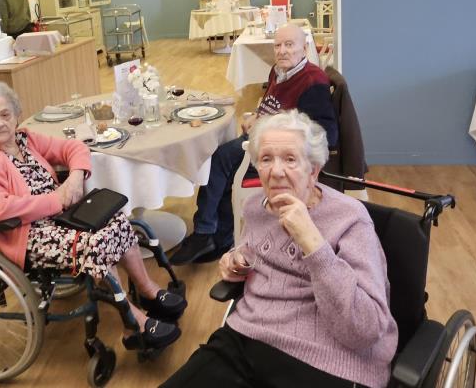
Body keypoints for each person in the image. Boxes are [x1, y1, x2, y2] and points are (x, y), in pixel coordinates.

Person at [162, 111, 397, 388]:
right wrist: (235, 260)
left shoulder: (350, 219)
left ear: (313, 170)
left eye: (290, 159)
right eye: (266, 159)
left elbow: (365, 329)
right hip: (245, 340)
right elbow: (252, 251)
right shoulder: (255, 206)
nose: (275, 171)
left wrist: (311, 241)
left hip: (326, 359)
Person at [0, 82, 186, 350]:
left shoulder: (24, 139)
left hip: (60, 216)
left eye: (5, 114)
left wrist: (76, 177)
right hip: (25, 233)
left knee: (116, 220)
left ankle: (147, 290)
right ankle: (133, 324)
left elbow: (74, 148)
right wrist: (56, 200)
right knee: (95, 244)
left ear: (17, 115)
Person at [170, 23, 338, 264]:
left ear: (304, 48)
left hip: (274, 154)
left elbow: (327, 134)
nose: (282, 51)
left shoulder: (313, 82)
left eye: (289, 45)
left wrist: (274, 127)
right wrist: (256, 116)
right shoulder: (278, 71)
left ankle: (204, 233)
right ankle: (221, 237)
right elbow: (273, 106)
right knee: (223, 167)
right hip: (259, 138)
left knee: (218, 160)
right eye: (278, 45)